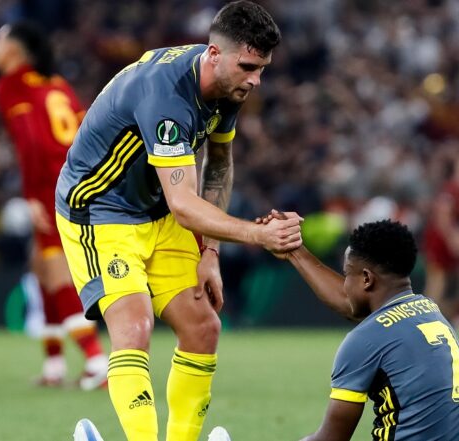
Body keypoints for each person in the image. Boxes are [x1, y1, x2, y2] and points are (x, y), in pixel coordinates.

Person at [58, 2, 301, 441]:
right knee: (134, 326)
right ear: (213, 53)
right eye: (248, 66)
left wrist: (209, 253)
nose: (255, 79)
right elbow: (185, 203)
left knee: (203, 327)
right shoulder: (167, 97)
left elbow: (219, 164)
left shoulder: (226, 86)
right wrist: (257, 234)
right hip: (99, 211)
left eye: (262, 68)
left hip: (159, 210)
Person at [264, 217, 459, 441]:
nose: (345, 285)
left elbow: (330, 439)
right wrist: (294, 250)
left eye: (346, 275)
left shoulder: (365, 339)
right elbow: (353, 305)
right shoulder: (428, 311)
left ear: (366, 278)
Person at [0, 21, 108, 389]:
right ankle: (55, 365)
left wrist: (31, 195)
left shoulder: (11, 85)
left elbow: (30, 143)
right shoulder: (57, 84)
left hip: (52, 183)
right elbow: (88, 127)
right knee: (40, 265)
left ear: (14, 51)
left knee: (56, 270)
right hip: (82, 177)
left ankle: (96, 362)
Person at [423, 154, 459, 328]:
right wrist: (454, 240)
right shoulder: (451, 190)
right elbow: (443, 218)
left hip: (451, 239)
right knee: (438, 281)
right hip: (440, 241)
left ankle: (452, 315)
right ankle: (426, 319)